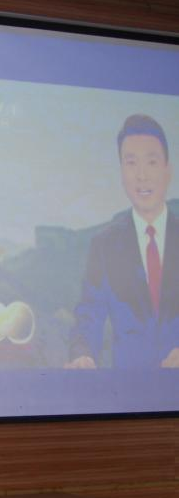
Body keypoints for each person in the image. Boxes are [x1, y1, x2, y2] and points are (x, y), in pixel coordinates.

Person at [67, 114, 179, 369]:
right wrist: (82, 355)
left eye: (151, 162)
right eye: (131, 163)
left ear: (167, 170)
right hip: (127, 389)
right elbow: (88, 317)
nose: (141, 175)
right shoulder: (104, 245)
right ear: (121, 172)